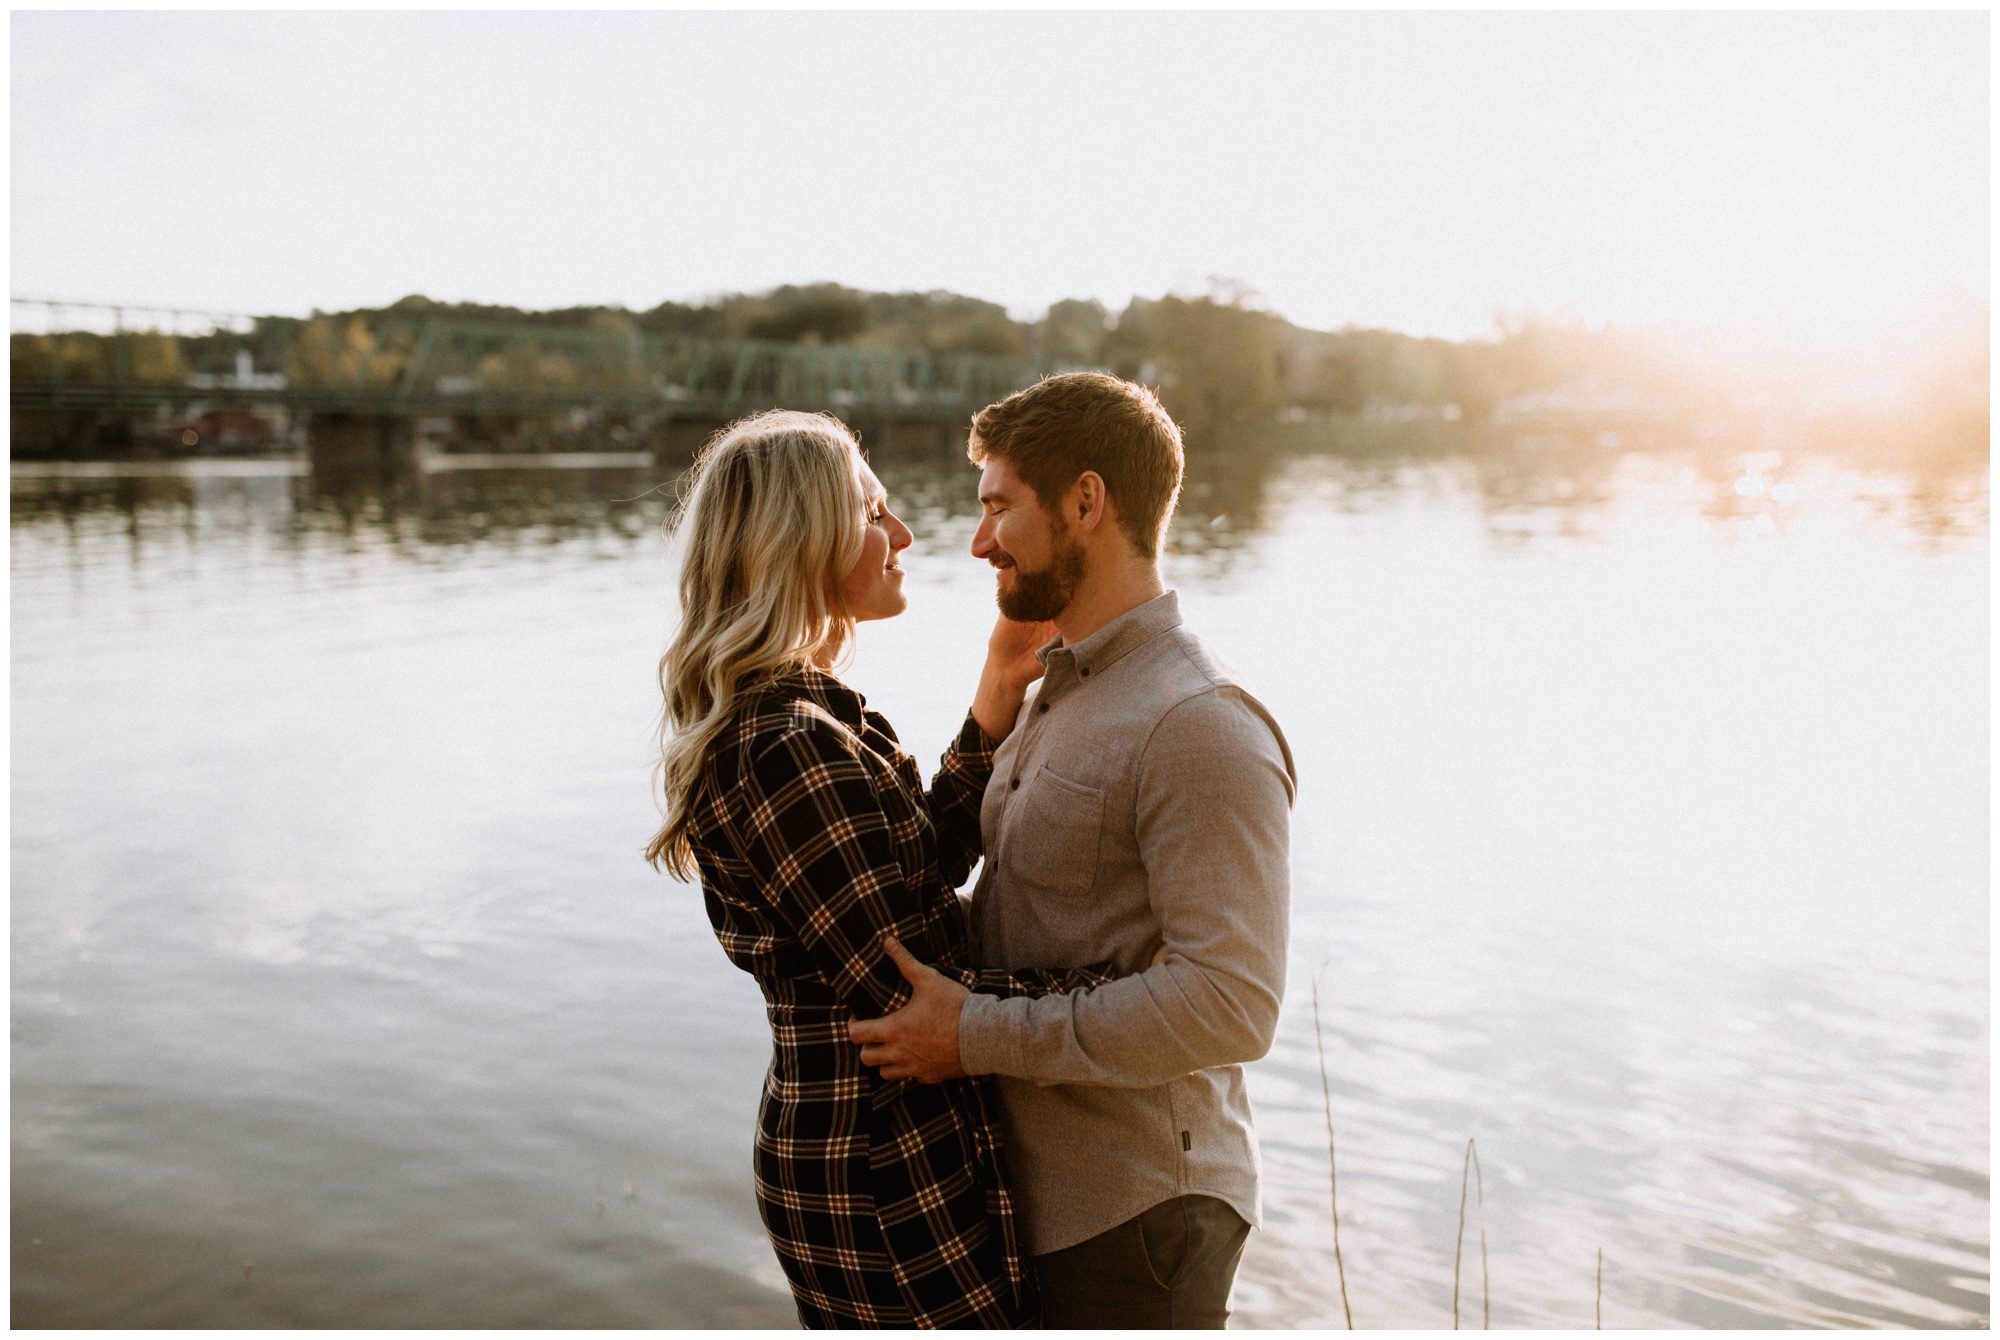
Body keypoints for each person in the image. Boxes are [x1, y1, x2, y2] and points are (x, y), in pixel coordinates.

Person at [643, 409, 1122, 1328]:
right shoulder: (784, 745)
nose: (903, 537)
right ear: (803, 538)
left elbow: (913, 879)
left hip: (873, 1145)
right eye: (875, 513)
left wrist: (990, 707)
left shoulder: (811, 720)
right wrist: (1135, 992)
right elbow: (916, 982)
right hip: (884, 1169)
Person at [848, 373, 1297, 1329]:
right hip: (1034, 1206)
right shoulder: (1057, 683)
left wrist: (971, 1035)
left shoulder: (1198, 723)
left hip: (1136, 1217)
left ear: (1085, 503)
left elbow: (1233, 1003)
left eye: (1000, 507)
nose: (976, 542)